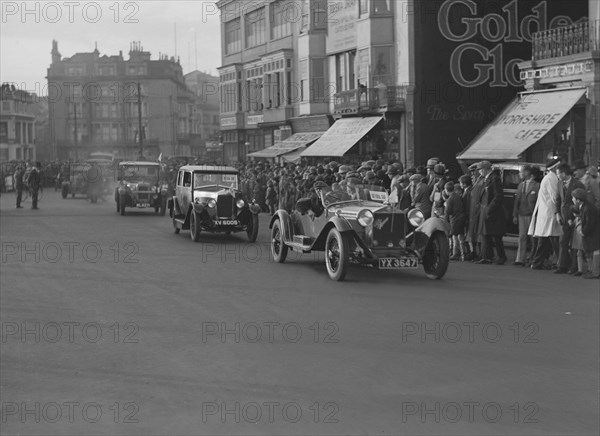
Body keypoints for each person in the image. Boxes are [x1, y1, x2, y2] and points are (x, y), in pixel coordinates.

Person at [528, 167, 562, 270]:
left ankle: (538, 262)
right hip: (550, 212)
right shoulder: (551, 179)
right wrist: (558, 211)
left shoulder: (549, 177)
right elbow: (554, 196)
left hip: (547, 212)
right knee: (552, 240)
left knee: (546, 239)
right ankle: (561, 262)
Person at [555, 163, 585, 274]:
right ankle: (562, 266)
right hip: (563, 216)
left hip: (574, 216)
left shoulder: (578, 184)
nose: (557, 176)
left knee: (574, 243)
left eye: (558, 173)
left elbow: (581, 201)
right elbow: (558, 199)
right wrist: (557, 213)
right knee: (563, 241)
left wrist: (576, 216)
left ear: (563, 173)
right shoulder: (559, 183)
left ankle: (574, 267)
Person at [476, 161, 507, 265]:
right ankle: (487, 257)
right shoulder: (486, 179)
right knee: (485, 235)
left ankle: (501, 257)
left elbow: (498, 196)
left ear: (485, 169)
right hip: (485, 210)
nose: (479, 172)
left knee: (496, 236)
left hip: (493, 212)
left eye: (480, 169)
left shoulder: (495, 179)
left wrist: (489, 208)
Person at [512, 165, 540, 266]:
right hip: (521, 214)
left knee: (533, 238)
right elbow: (517, 201)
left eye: (521, 172)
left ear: (527, 172)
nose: (520, 174)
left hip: (532, 216)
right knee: (522, 237)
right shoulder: (520, 185)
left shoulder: (537, 185)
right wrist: (515, 214)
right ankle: (520, 259)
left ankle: (533, 258)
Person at [571, 188, 600, 279]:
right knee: (592, 250)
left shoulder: (588, 208)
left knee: (595, 250)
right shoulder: (584, 206)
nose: (572, 199)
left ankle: (595, 273)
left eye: (573, 198)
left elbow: (589, 223)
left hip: (594, 232)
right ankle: (592, 271)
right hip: (593, 232)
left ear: (578, 200)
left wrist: (583, 231)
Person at [444, 182, 467, 261]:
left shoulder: (450, 199)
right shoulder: (458, 196)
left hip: (454, 219)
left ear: (446, 190)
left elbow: (448, 212)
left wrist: (445, 220)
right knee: (461, 237)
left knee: (454, 237)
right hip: (461, 218)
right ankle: (463, 254)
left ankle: (455, 254)